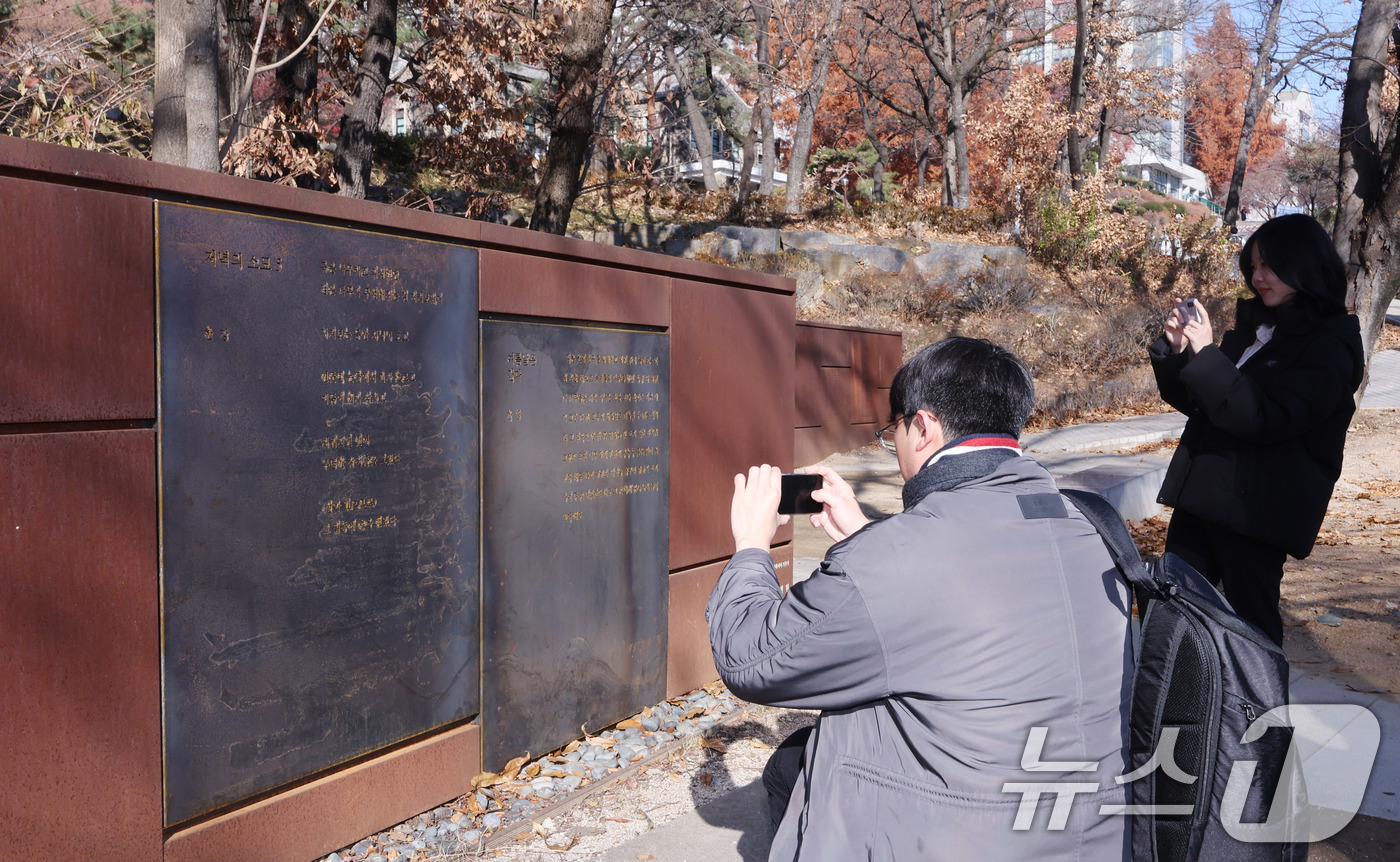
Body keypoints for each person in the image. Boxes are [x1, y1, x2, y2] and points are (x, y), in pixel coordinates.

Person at [707, 338, 1133, 862]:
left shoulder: (896, 557)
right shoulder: (1089, 525)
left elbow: (750, 659)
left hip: (968, 836)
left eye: (895, 432)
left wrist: (751, 546)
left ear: (924, 426)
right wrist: (865, 536)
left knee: (791, 767)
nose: (897, 446)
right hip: (1094, 828)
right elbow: (971, 593)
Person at [1150, 213, 1364, 646]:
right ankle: (1173, 713)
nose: (1257, 276)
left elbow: (1266, 417)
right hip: (1203, 499)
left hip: (1257, 514)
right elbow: (1203, 402)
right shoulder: (1256, 328)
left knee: (1252, 634)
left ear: (1304, 265)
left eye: (1268, 266)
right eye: (1252, 266)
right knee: (1172, 619)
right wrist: (1178, 352)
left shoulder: (1330, 345)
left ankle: (1265, 715)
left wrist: (1207, 353)